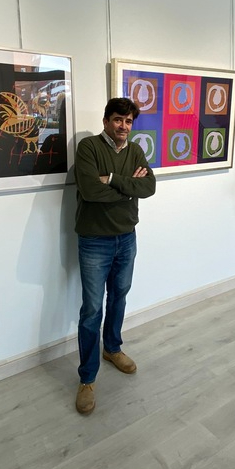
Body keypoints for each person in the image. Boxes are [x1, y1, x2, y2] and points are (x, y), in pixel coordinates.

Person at [73, 97, 156, 415]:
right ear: (106, 120)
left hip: (127, 237)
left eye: (129, 122)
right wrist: (128, 186)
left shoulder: (135, 150)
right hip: (95, 241)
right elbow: (91, 192)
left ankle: (113, 348)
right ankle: (87, 379)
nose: (123, 126)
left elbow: (148, 187)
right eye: (118, 120)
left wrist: (113, 180)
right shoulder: (89, 148)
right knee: (92, 309)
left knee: (119, 295)